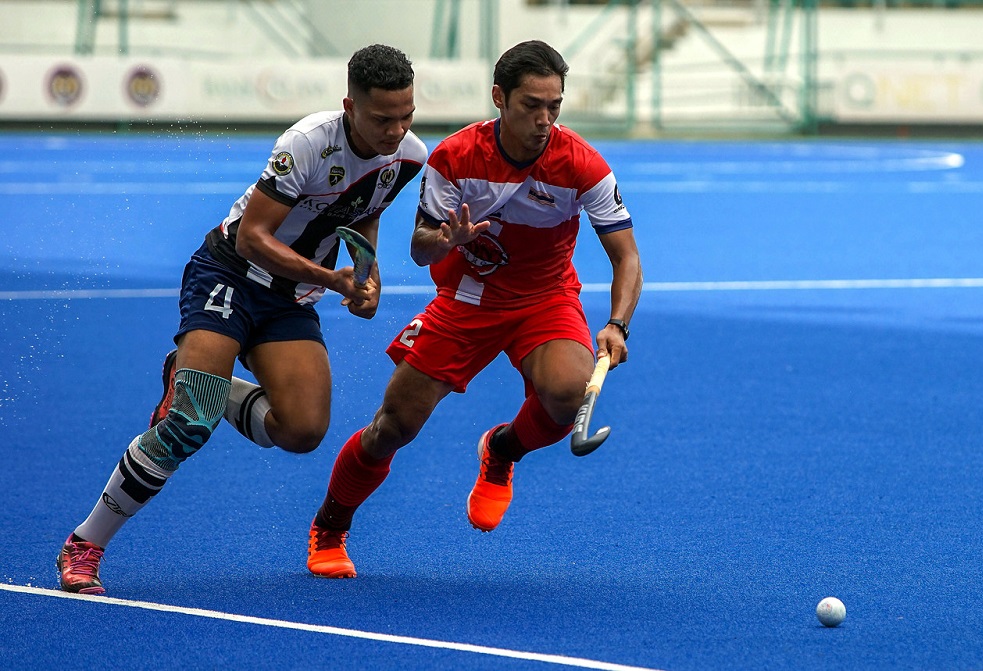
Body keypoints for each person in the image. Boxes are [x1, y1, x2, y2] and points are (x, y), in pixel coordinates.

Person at [56, 44, 428, 595]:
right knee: (188, 423)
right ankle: (86, 544)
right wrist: (332, 281)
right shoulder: (307, 143)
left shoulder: (409, 156)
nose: (396, 130)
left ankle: (202, 380)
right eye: (382, 119)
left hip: (291, 300)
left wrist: (367, 274)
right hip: (228, 275)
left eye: (406, 116)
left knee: (302, 431)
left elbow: (363, 212)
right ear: (350, 106)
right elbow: (254, 236)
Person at [307, 40, 643, 579]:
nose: (544, 119)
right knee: (395, 424)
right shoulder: (455, 157)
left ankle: (503, 450)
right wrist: (445, 240)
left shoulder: (582, 164)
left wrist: (616, 324)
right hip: (467, 300)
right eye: (531, 104)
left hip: (545, 298)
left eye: (554, 106)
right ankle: (331, 525)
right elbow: (419, 250)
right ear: (498, 98)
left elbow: (626, 257)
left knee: (565, 395)